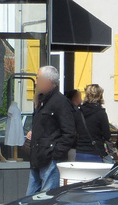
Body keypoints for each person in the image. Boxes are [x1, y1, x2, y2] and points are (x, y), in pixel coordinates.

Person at [26, 65, 76, 195]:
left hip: (50, 160)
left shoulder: (60, 102)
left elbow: (69, 132)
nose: (35, 82)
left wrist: (56, 155)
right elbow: (45, 127)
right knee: (29, 200)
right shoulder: (42, 101)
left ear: (47, 81)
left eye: (38, 78)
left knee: (46, 200)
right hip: (38, 157)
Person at [75, 84, 113, 163]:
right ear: (100, 96)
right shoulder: (101, 113)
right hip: (96, 152)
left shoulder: (79, 112)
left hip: (80, 152)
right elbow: (107, 135)